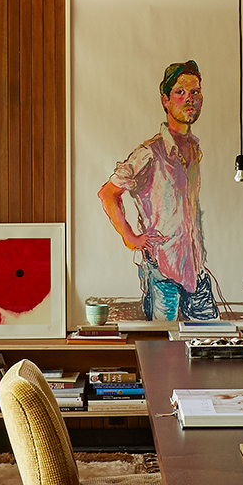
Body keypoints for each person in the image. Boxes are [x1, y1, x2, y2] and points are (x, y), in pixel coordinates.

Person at [97, 59, 219, 322]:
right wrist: (130, 237)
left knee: (213, 343)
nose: (189, 99)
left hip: (196, 272)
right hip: (163, 275)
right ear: (165, 100)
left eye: (195, 92)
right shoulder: (149, 154)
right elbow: (108, 193)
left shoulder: (194, 150)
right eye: (180, 92)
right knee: (163, 354)